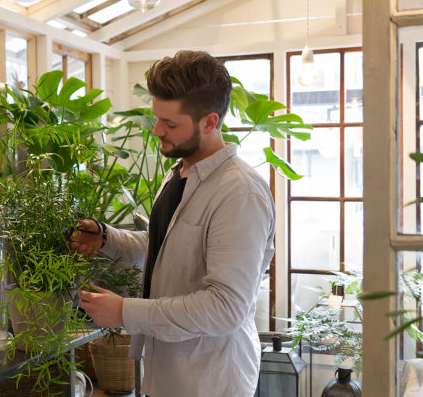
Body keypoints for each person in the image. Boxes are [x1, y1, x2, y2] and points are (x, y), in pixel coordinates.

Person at [71, 50, 275, 397]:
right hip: (165, 374)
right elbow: (162, 246)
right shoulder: (180, 173)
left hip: (209, 381)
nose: (156, 130)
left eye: (170, 124)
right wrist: (107, 239)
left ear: (210, 122)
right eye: (157, 118)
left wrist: (124, 311)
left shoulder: (239, 192)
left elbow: (225, 308)